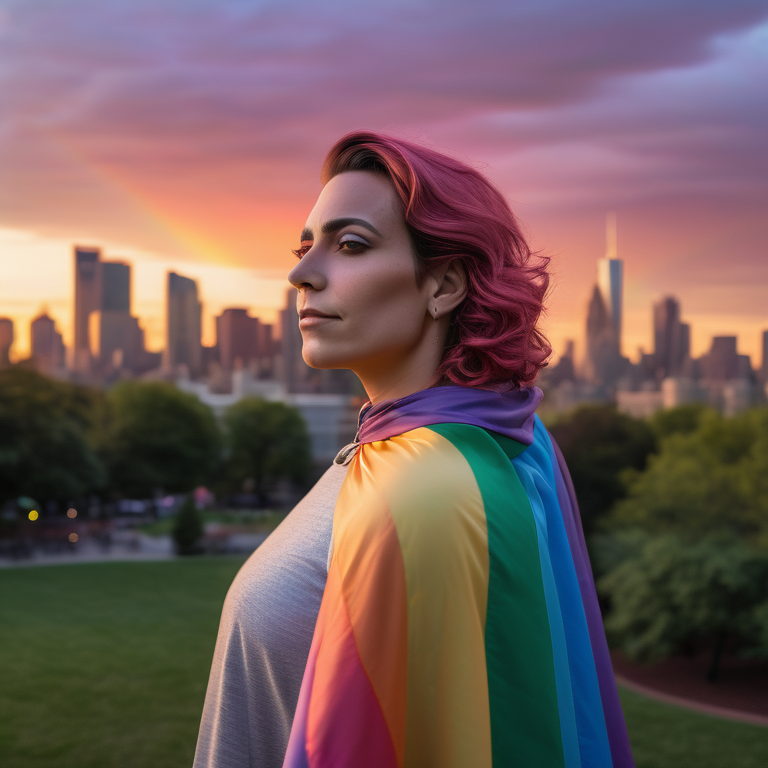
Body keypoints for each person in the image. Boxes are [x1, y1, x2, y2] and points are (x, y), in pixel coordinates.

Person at [194, 131, 635, 768]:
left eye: (349, 245)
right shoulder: (499, 440)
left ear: (445, 284)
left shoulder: (428, 489)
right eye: (305, 245)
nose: (301, 274)